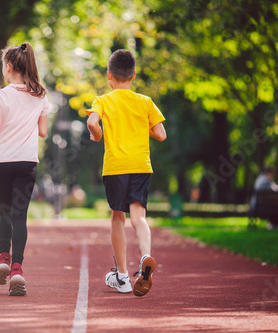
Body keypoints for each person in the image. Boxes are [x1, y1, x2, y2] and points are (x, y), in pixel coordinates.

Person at [86, 49, 166, 297]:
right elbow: (161, 134)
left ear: (110, 76)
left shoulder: (103, 100)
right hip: (141, 166)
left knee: (117, 217)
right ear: (133, 75)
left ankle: (122, 277)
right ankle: (145, 256)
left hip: (116, 167)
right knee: (138, 217)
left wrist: (96, 135)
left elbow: (92, 122)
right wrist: (144, 127)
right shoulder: (145, 102)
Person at [0, 42, 49, 296]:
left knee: (4, 213)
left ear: (9, 67)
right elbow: (43, 131)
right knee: (20, 216)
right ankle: (17, 271)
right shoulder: (40, 95)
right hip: (26, 162)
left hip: (3, 162)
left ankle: (3, 258)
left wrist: (2, 124)